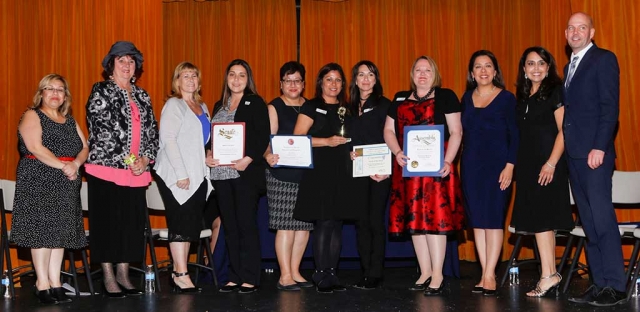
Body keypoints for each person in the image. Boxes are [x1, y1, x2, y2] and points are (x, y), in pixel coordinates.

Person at [383, 56, 464, 296]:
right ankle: (425, 271)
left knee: (434, 223)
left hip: (436, 170)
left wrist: (448, 160)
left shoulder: (446, 96)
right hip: (408, 170)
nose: (422, 74)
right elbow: (388, 130)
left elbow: (456, 131)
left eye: (427, 70)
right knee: (415, 224)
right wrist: (397, 152)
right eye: (418, 70)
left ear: (434, 73)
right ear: (412, 74)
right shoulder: (398, 98)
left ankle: (438, 274)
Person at [85, 41, 159, 297]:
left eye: (131, 60)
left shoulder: (143, 95)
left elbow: (152, 132)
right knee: (107, 223)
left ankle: (124, 275)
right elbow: (104, 131)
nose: (127, 65)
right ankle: (108, 277)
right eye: (121, 60)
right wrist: (131, 160)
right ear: (110, 66)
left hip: (137, 172)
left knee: (130, 224)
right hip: (105, 169)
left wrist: (146, 159)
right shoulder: (101, 91)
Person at [562, 12, 625, 307]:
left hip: (594, 155)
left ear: (592, 32)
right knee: (588, 222)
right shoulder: (568, 66)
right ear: (566, 34)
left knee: (603, 219)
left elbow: (609, 107)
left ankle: (615, 285)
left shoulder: (604, 59)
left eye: (582, 27)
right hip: (574, 156)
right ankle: (599, 283)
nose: (576, 32)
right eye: (571, 28)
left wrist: (600, 146)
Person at [11, 74, 88, 304]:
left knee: (60, 233)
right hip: (39, 178)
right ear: (41, 93)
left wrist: (75, 164)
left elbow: (84, 148)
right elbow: (35, 146)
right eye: (50, 88)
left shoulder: (70, 120)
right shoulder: (32, 115)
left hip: (66, 179)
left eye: (60, 89)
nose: (55, 93)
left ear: (66, 95)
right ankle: (41, 283)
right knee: (43, 233)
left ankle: (55, 283)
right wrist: (64, 166)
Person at [510, 47, 573, 297]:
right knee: (538, 221)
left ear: (549, 68)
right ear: (524, 69)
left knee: (544, 220)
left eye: (541, 63)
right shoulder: (523, 97)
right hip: (527, 167)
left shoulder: (555, 92)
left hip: (548, 165)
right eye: (530, 64)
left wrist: (551, 163)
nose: (536, 68)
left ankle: (549, 274)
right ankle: (550, 274)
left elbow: (563, 130)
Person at [206, 59, 270, 294]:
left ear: (248, 79)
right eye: (232, 74)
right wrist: (209, 153)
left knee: (246, 224)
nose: (236, 79)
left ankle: (250, 276)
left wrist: (249, 158)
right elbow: (212, 138)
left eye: (241, 75)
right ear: (227, 78)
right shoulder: (218, 105)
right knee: (230, 227)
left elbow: (263, 135)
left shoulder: (255, 102)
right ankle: (234, 275)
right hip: (221, 174)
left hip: (245, 173)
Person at [460, 50, 518, 296]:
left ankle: (490, 274)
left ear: (495, 71)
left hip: (498, 167)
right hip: (471, 167)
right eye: (478, 67)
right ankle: (484, 272)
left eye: (488, 66)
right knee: (478, 223)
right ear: (472, 73)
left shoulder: (507, 98)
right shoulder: (465, 98)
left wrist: (510, 165)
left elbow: (515, 135)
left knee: (493, 220)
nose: (483, 71)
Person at [293, 63, 353, 293]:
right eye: (329, 79)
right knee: (324, 222)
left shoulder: (346, 108)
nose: (334, 84)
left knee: (337, 222)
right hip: (319, 172)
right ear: (321, 83)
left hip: (342, 171)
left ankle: (332, 273)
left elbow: (351, 138)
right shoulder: (311, 106)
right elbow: (297, 138)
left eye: (338, 80)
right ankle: (319, 273)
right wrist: (326, 142)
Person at [154, 62, 213, 293]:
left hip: (198, 173)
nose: (190, 80)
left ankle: (181, 270)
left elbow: (201, 141)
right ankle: (180, 273)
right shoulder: (174, 104)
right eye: (185, 76)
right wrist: (181, 174)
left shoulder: (202, 106)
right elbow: (168, 140)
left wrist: (207, 154)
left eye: (194, 76)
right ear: (177, 81)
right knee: (180, 223)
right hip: (177, 173)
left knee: (189, 225)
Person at [263, 61, 314, 291]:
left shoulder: (311, 106)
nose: (292, 85)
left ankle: (295, 271)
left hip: (307, 174)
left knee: (303, 226)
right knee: (285, 225)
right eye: (288, 80)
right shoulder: (274, 107)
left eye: (297, 80)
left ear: (303, 84)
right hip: (281, 173)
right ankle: (284, 275)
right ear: (280, 84)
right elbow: (267, 139)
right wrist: (267, 155)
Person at [348, 60, 392, 290]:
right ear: (355, 79)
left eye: (370, 74)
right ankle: (365, 271)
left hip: (379, 173)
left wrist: (387, 168)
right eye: (361, 74)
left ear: (376, 79)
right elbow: (344, 139)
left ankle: (376, 272)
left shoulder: (386, 105)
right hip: (356, 173)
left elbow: (395, 139)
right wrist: (349, 153)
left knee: (375, 221)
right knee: (360, 223)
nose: (366, 79)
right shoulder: (346, 108)